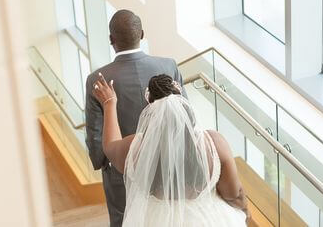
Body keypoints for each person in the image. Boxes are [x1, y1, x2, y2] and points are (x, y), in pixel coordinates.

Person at [92, 73, 249, 227]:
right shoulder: (214, 143)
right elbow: (232, 193)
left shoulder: (134, 148)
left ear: (151, 109)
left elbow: (110, 145)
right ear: (183, 104)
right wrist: (245, 210)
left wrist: (109, 104)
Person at [85, 10, 185, 227]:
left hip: (122, 170)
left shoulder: (97, 80)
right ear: (141, 34)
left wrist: (102, 163)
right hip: (168, 165)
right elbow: (185, 116)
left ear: (111, 40)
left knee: (125, 220)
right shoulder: (168, 66)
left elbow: (95, 134)